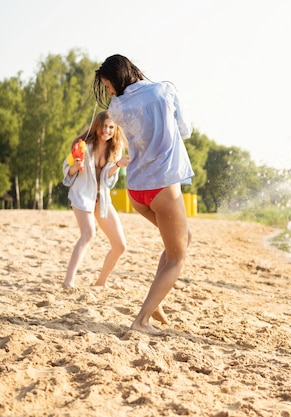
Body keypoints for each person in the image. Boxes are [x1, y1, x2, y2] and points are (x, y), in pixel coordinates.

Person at [93, 54, 194, 334]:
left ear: (118, 79)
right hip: (162, 186)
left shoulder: (118, 105)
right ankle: (141, 320)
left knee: (181, 240)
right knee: (177, 257)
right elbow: (185, 131)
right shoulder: (164, 90)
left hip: (137, 189)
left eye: (109, 85)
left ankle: (155, 301)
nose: (110, 92)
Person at [62, 111, 129, 289]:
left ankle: (101, 282)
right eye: (104, 126)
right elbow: (66, 170)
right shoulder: (83, 145)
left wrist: (118, 164)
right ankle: (68, 281)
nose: (106, 131)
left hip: (102, 199)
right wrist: (74, 167)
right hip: (83, 195)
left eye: (111, 127)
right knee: (88, 234)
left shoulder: (116, 148)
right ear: (97, 126)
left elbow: (109, 179)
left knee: (120, 245)